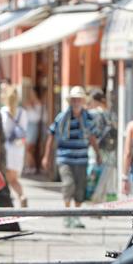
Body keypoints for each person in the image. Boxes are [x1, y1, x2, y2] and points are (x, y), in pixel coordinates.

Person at [42, 86, 101, 228]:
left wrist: (98, 154)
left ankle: (76, 216)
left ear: (82, 101)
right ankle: (68, 214)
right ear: (71, 101)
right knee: (68, 184)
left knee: (80, 188)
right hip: (65, 158)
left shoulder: (89, 118)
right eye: (74, 99)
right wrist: (46, 156)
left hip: (82, 158)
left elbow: (92, 137)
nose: (76, 102)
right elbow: (51, 134)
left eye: (79, 99)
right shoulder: (62, 117)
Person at [86, 89, 117, 203]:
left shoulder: (94, 114)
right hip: (110, 149)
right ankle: (106, 202)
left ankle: (96, 200)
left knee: (96, 175)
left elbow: (91, 133)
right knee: (107, 176)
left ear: (95, 100)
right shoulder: (111, 114)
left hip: (97, 149)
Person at [0, 85, 28, 206]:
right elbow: (24, 131)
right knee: (14, 178)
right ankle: (21, 196)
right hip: (18, 149)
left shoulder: (2, 112)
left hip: (7, 148)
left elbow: (2, 132)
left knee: (7, 179)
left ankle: (17, 197)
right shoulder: (22, 112)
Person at [23, 86, 45, 175]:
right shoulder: (30, 102)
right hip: (28, 126)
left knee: (29, 148)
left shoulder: (38, 103)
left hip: (33, 126)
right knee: (27, 148)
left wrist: (30, 108)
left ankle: (32, 167)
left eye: (32, 92)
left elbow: (37, 117)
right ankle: (30, 166)